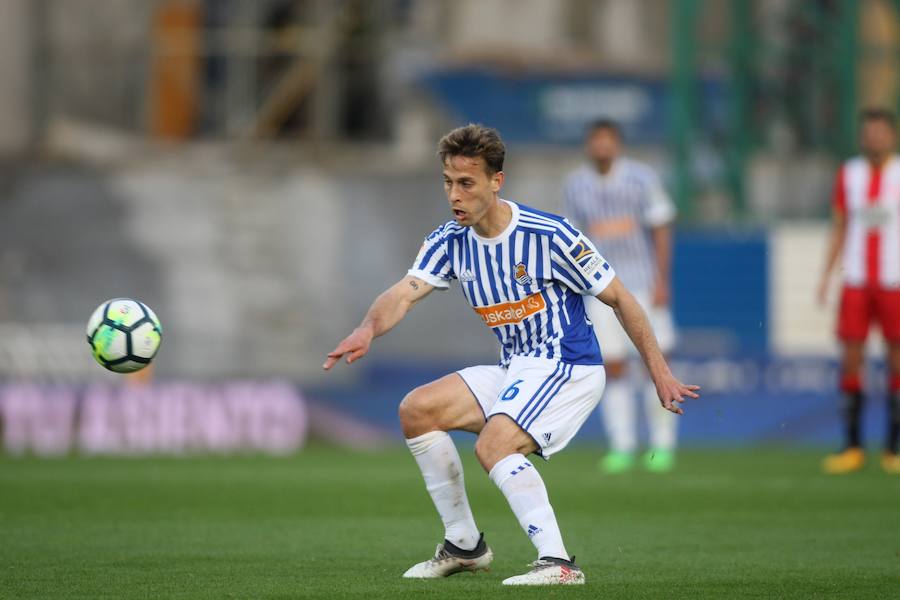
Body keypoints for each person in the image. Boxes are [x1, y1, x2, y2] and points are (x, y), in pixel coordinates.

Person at [323, 124, 699, 585]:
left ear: (496, 182)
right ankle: (464, 546)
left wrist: (659, 372)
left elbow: (621, 298)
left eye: (466, 183)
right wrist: (366, 329)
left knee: (493, 446)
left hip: (568, 366)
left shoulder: (550, 235)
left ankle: (558, 563)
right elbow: (404, 293)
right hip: (518, 366)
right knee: (417, 411)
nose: (454, 195)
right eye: (448, 181)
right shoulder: (449, 240)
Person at [562, 119, 679, 474]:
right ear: (588, 146)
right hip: (599, 291)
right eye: (595, 141)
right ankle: (623, 445)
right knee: (611, 366)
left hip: (641, 283)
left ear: (618, 144)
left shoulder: (641, 179)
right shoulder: (576, 185)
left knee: (654, 362)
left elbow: (661, 227)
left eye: (607, 141)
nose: (601, 147)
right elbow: (571, 240)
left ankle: (662, 445)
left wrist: (662, 279)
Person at [817, 108, 900, 475]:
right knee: (852, 358)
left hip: (893, 280)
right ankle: (852, 446)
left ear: (891, 136)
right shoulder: (849, 174)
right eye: (869, 133)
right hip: (856, 281)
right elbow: (839, 226)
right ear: (862, 138)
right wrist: (826, 275)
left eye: (881, 132)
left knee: (897, 359)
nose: (874, 139)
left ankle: (893, 448)